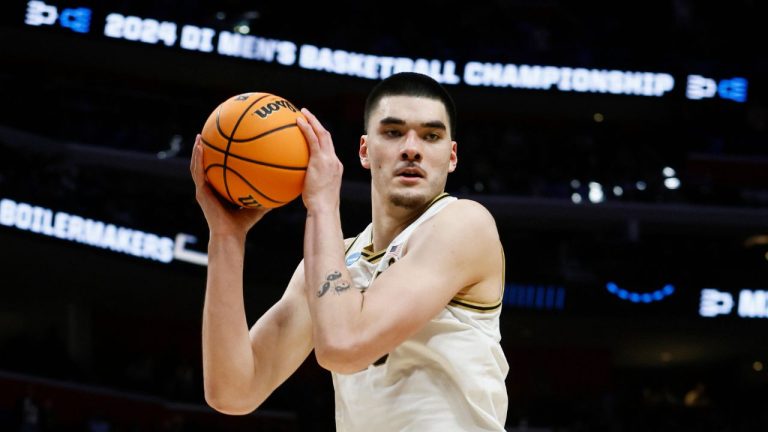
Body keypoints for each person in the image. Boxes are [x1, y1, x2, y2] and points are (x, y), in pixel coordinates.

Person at [190, 72, 508, 431]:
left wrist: (323, 205)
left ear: (451, 157)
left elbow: (344, 346)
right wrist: (226, 238)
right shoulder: (333, 261)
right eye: (392, 132)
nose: (412, 148)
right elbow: (233, 391)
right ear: (364, 151)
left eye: (431, 136)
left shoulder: (465, 223)